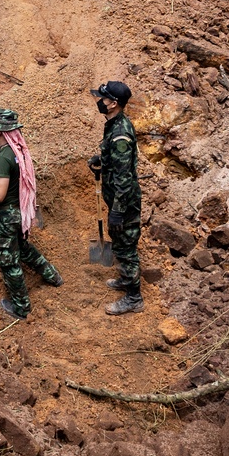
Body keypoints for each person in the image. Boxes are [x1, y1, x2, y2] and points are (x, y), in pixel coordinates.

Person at [0, 108, 63, 321]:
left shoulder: (3, 157)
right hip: (19, 212)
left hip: (7, 216)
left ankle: (21, 307)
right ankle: (52, 276)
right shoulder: (17, 151)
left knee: (7, 259)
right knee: (23, 249)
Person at [89, 81, 143, 315]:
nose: (100, 101)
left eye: (103, 98)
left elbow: (123, 178)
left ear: (114, 103)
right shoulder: (113, 125)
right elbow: (118, 164)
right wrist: (102, 160)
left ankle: (134, 298)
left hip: (125, 201)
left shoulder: (120, 134)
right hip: (118, 198)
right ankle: (125, 280)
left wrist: (118, 210)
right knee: (121, 242)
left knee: (125, 247)